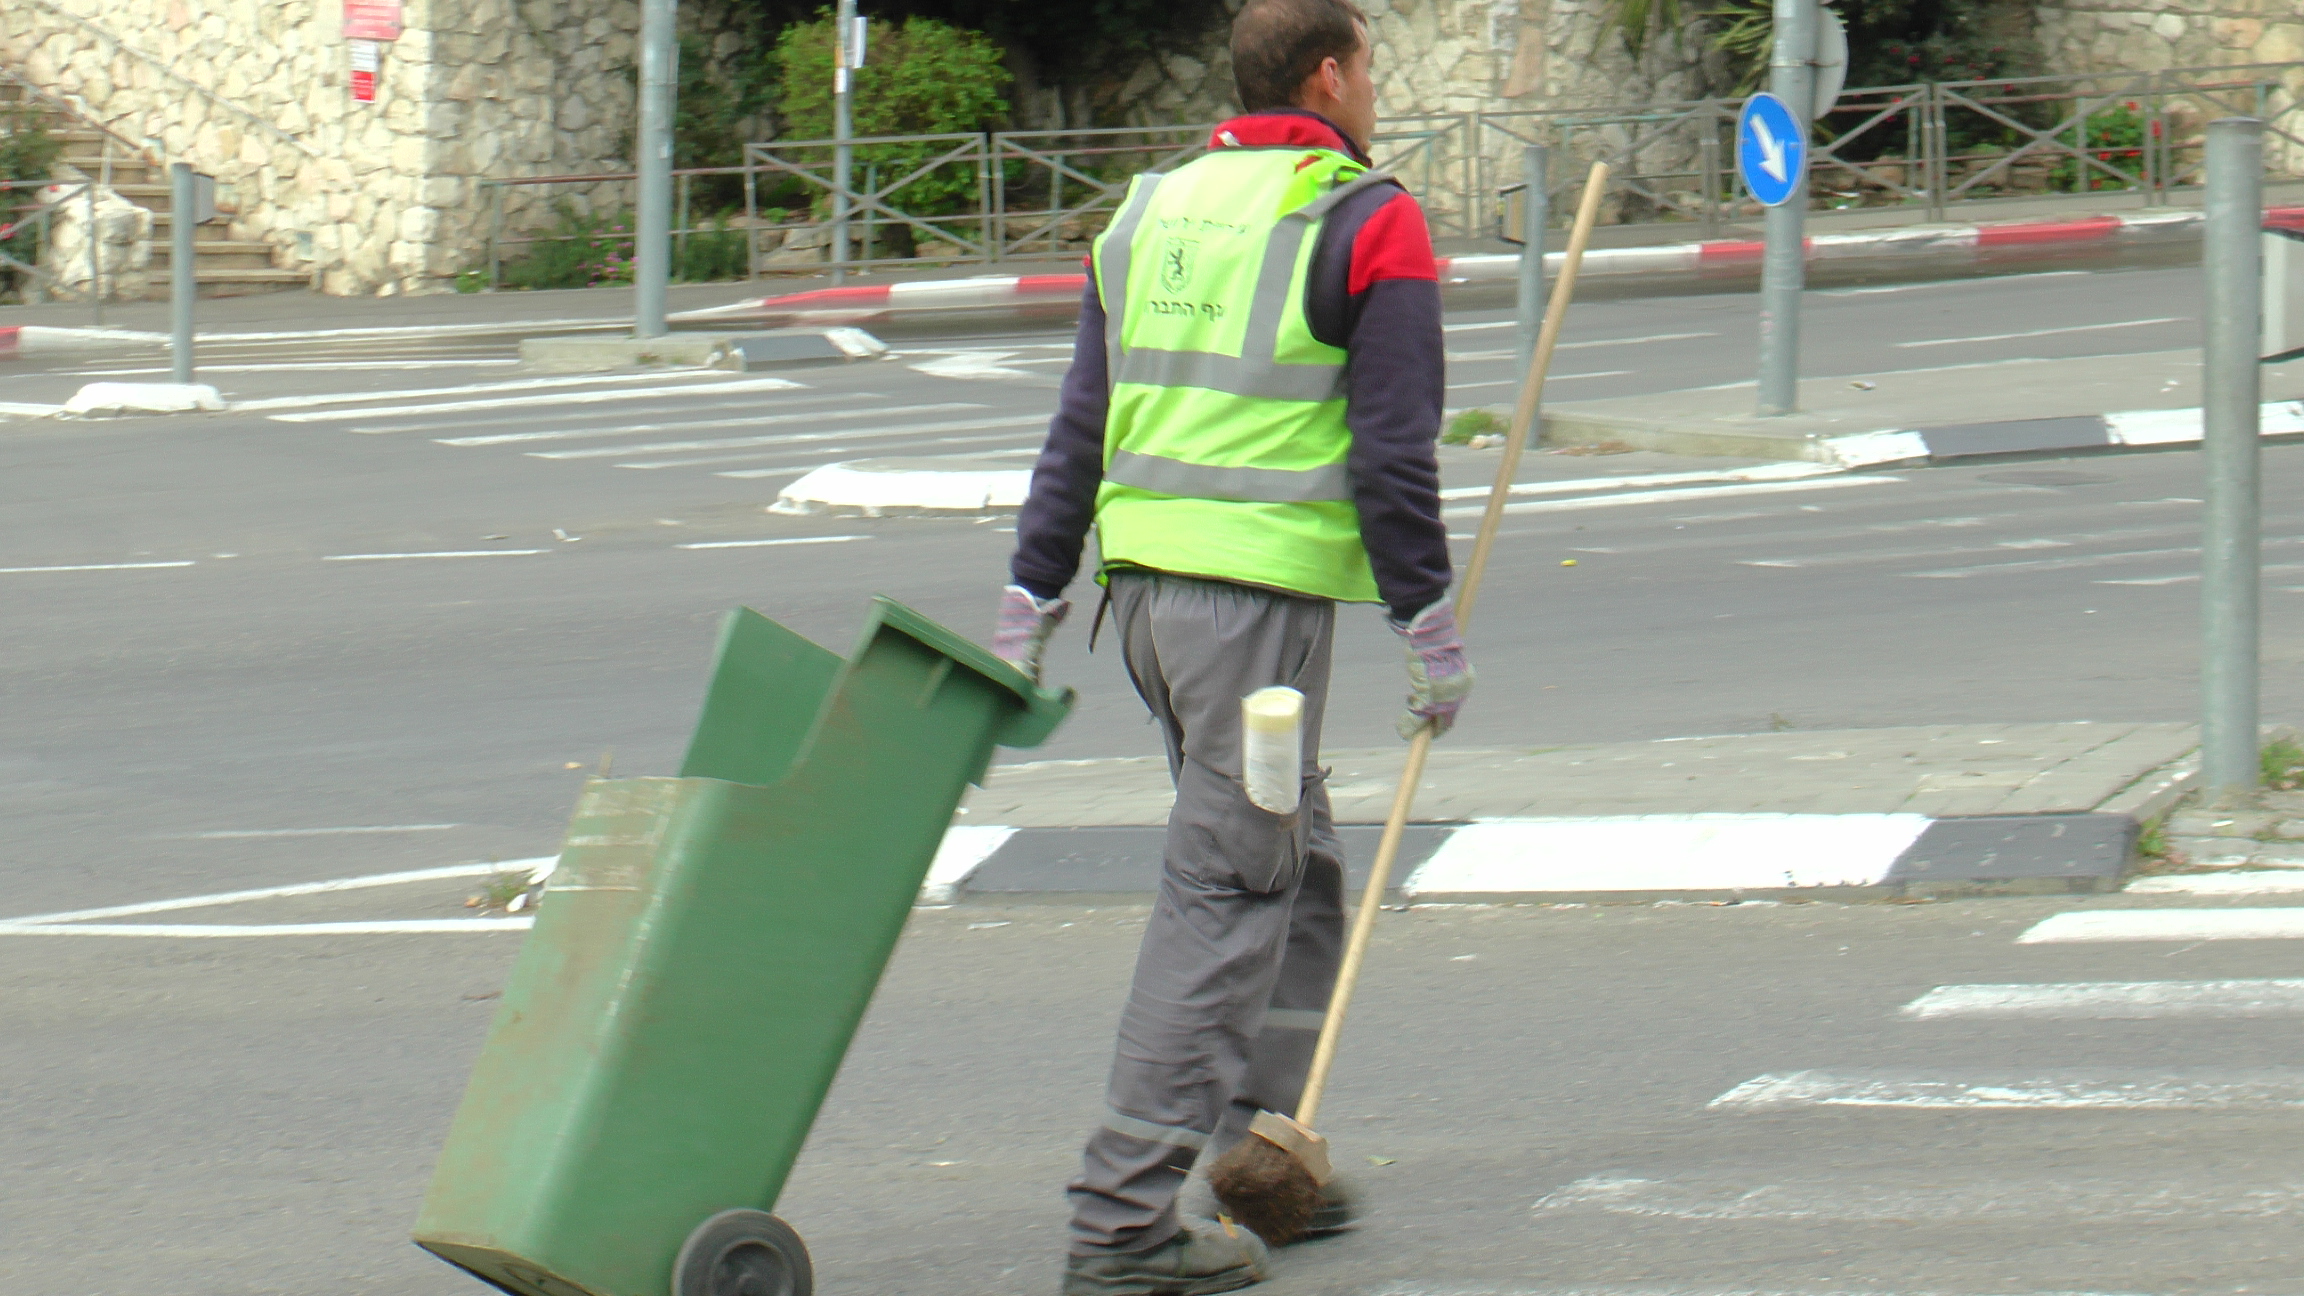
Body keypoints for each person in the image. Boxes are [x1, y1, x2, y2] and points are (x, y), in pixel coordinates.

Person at [989, 0, 1471, 1289]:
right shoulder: (1366, 218)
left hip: (1142, 610)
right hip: (1250, 621)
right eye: (1369, 65)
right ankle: (1123, 1223)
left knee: (1293, 859)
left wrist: (1031, 598)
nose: (1376, 89)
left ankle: (1264, 1147)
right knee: (1228, 894)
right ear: (1330, 72)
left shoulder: (1152, 210)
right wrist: (1427, 626)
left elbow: (1081, 423)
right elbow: (1392, 454)